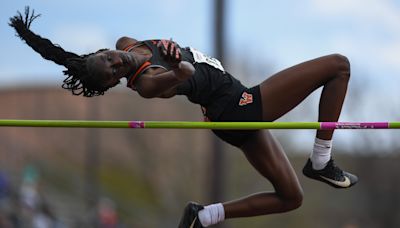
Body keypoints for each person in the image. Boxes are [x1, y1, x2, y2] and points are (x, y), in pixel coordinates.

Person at [10, 7, 358, 228]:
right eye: (113, 73)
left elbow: (157, 51)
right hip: (239, 107)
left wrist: (175, 53)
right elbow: (182, 75)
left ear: (105, 50)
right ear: (114, 83)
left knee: (290, 197)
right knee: (338, 66)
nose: (118, 63)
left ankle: (204, 214)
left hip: (229, 116)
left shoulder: (127, 42)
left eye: (110, 59)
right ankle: (321, 160)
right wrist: (178, 66)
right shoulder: (146, 83)